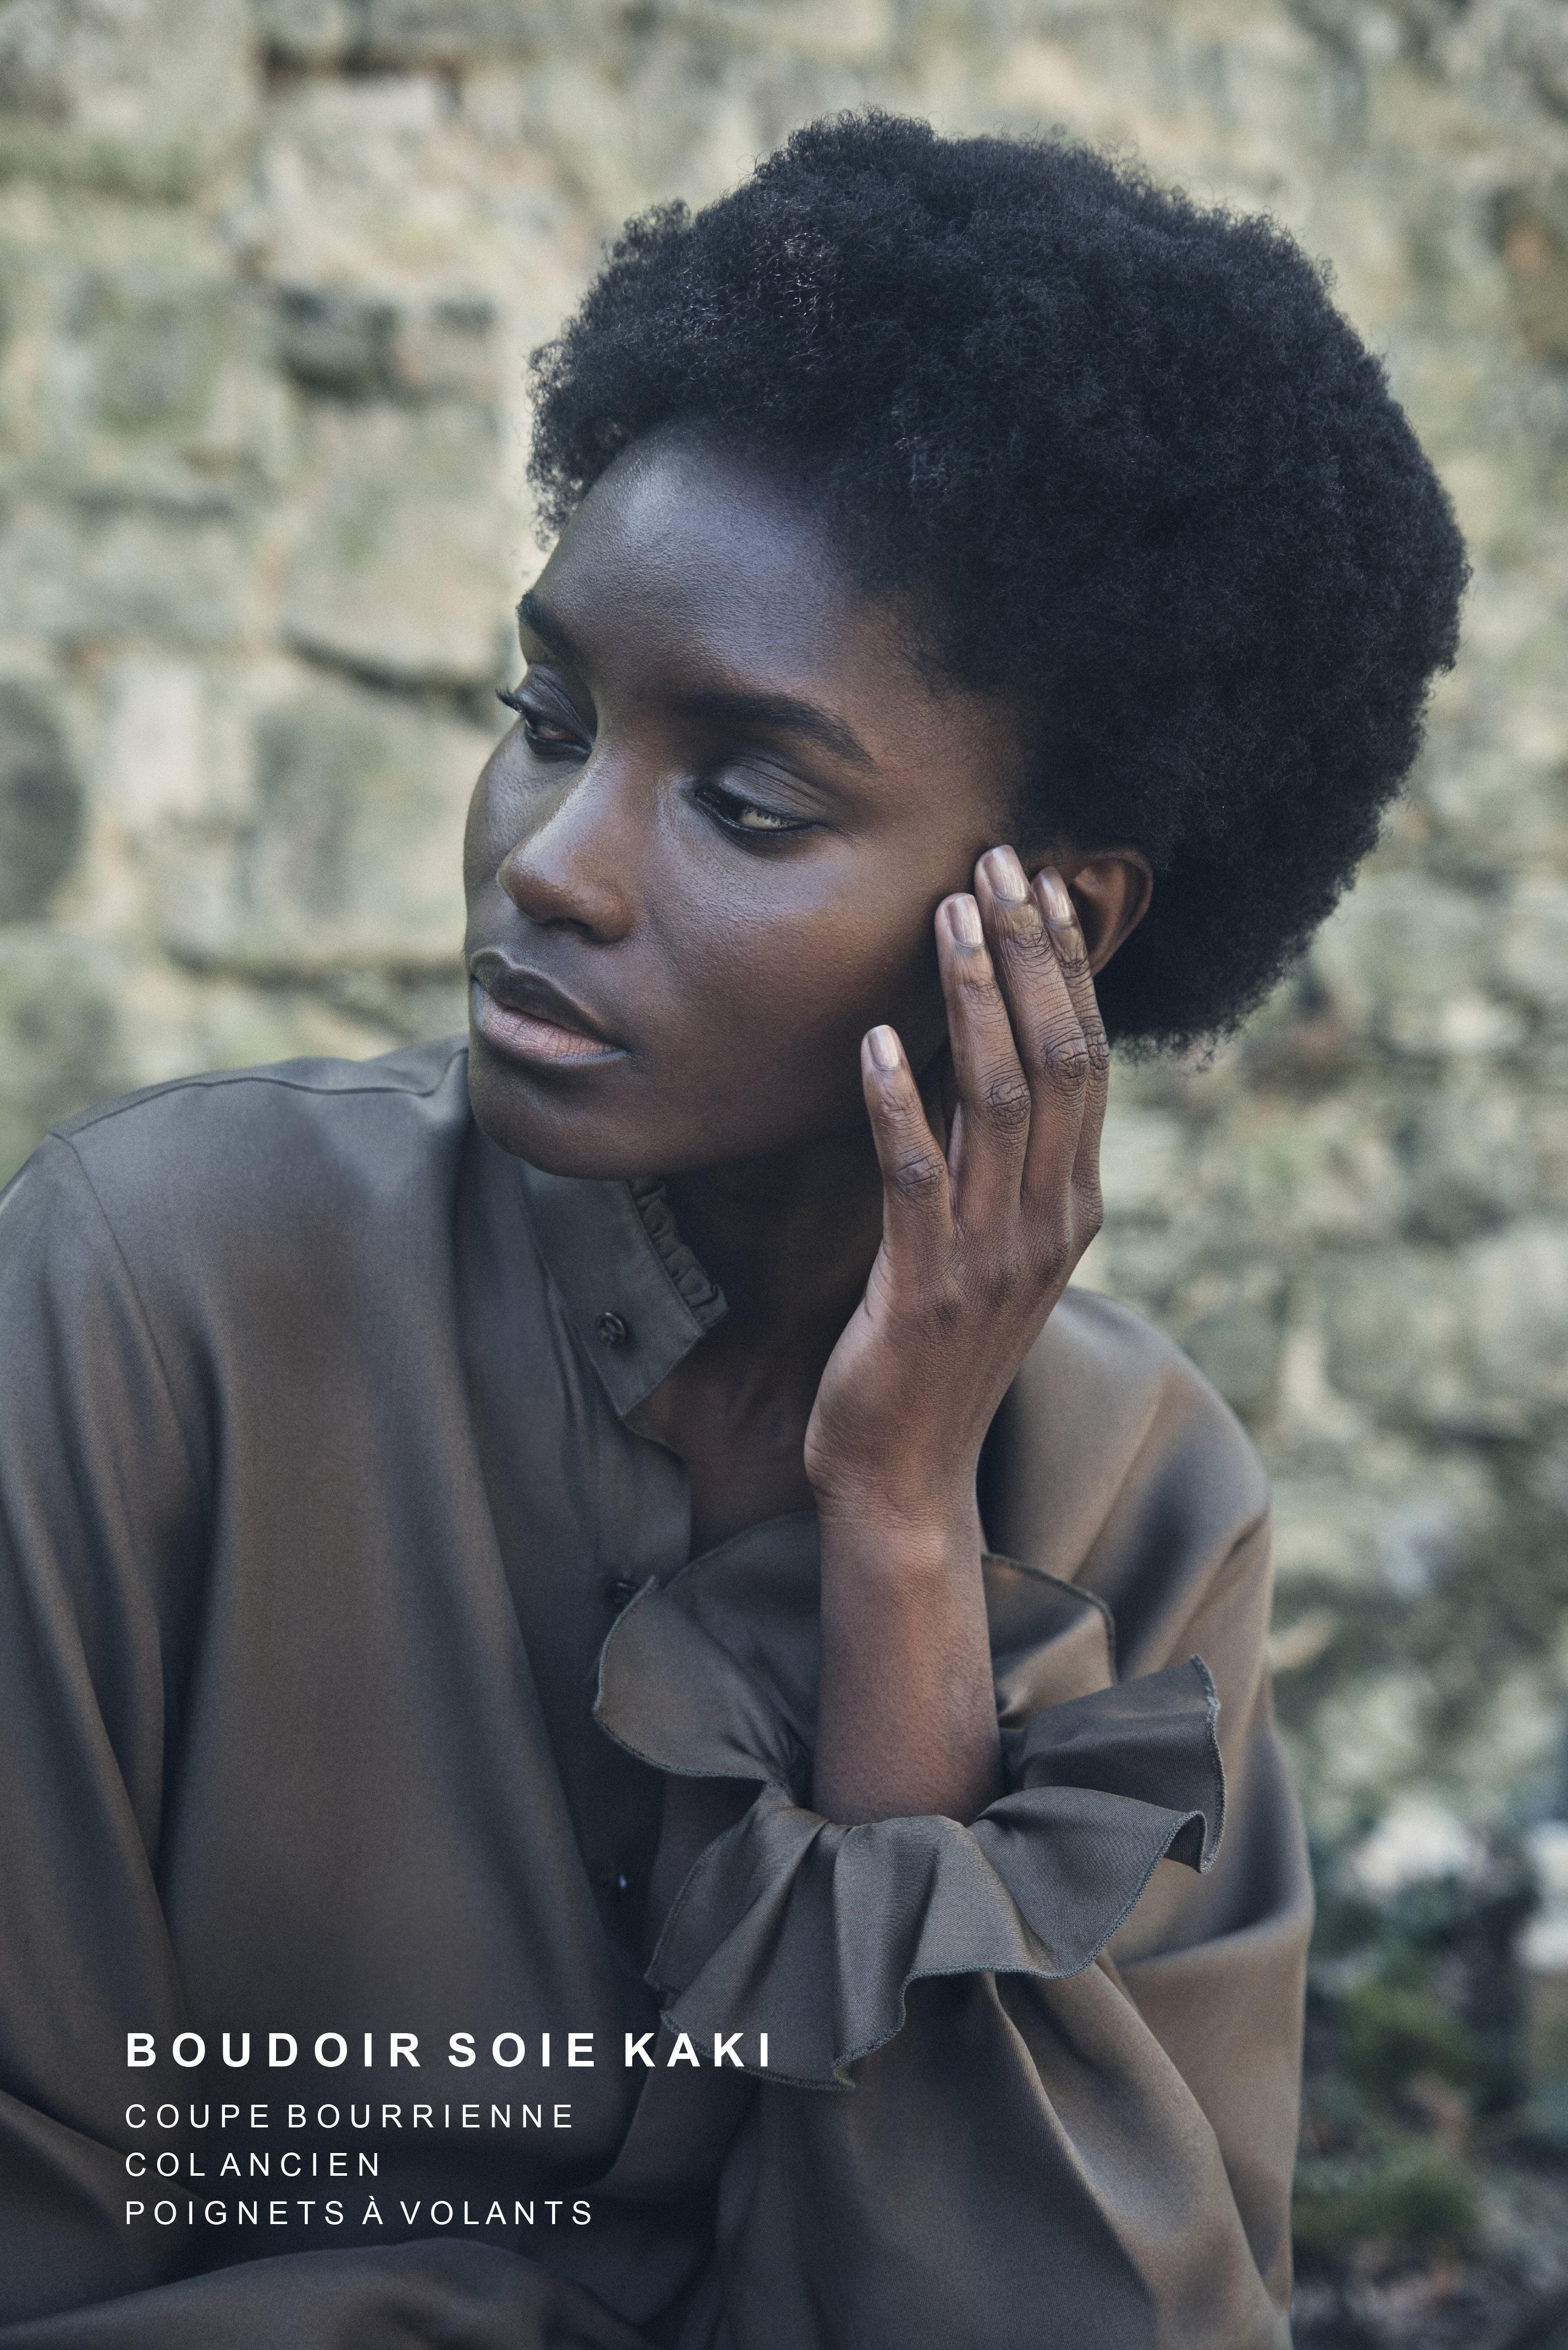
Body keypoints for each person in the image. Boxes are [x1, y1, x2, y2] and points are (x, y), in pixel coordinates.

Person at [0, 114, 1465, 2348]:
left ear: (1046, 924)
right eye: (544, 718)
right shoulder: (143, 1302)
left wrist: (892, 1537)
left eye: (748, 801)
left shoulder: (1136, 1507)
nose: (551, 864)